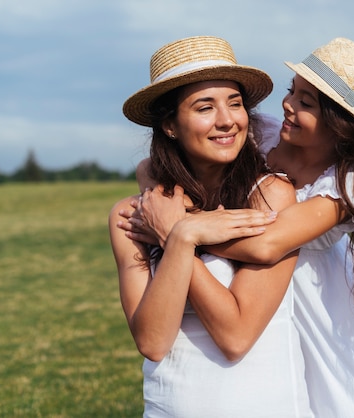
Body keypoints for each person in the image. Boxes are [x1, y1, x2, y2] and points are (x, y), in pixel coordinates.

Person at [125, 38, 354, 417]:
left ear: (339, 125)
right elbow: (155, 164)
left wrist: (181, 228)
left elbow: (266, 245)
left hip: (317, 298)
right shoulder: (263, 132)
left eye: (306, 103)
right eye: (292, 91)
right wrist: (162, 205)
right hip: (258, 283)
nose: (288, 105)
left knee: (339, 396)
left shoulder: (347, 183)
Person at [108, 35, 313, 417]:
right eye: (205, 107)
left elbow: (236, 336)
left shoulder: (271, 195)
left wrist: (179, 232)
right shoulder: (132, 216)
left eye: (235, 104)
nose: (226, 120)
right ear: (170, 124)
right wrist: (184, 240)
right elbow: (153, 341)